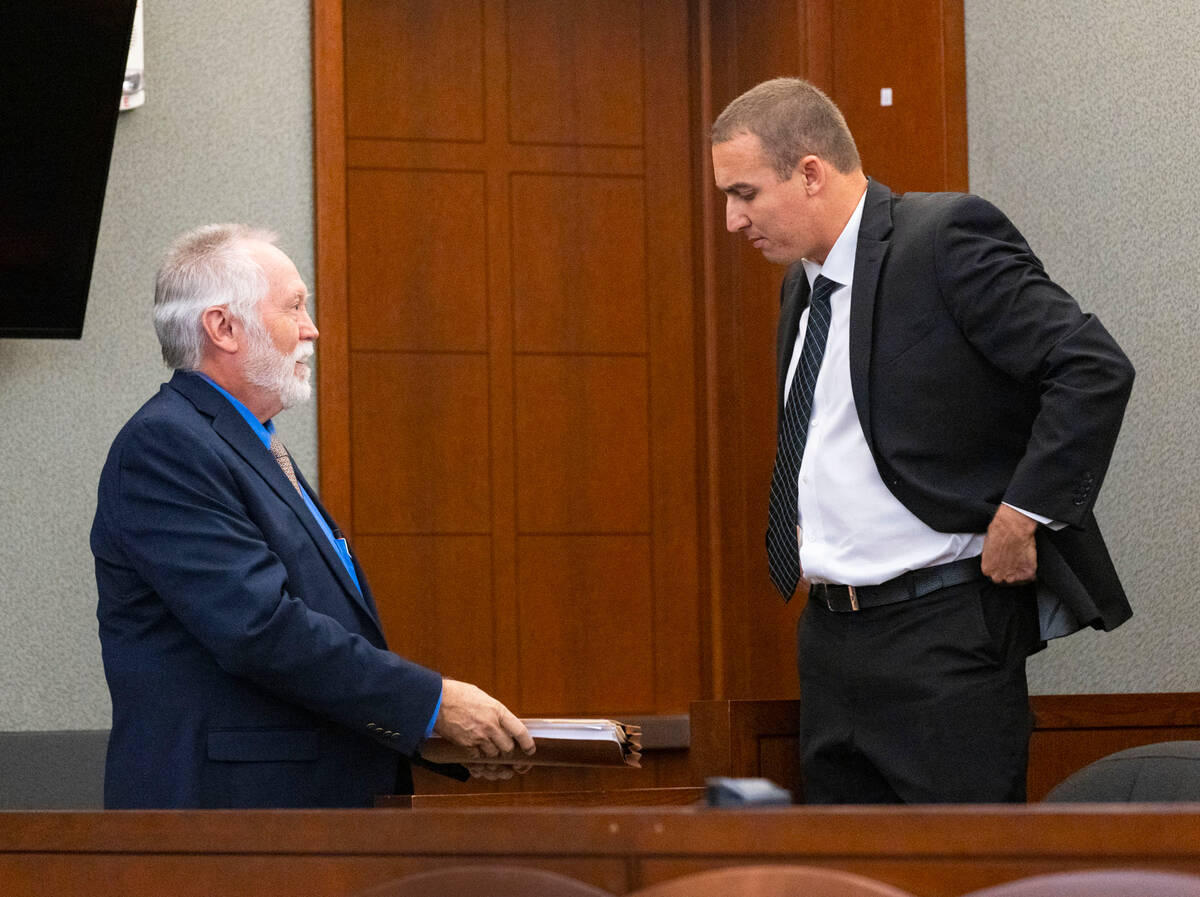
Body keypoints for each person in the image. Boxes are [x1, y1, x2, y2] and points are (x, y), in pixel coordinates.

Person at [710, 78, 1134, 803]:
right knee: (851, 876)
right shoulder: (800, 288)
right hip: (831, 641)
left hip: (942, 635)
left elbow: (1091, 366)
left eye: (745, 192)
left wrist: (1025, 510)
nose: (730, 219)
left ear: (810, 172)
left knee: (955, 870)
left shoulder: (943, 239)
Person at [92, 224, 534, 808]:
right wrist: (431, 706)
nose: (312, 329)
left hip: (295, 808)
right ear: (222, 327)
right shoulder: (168, 445)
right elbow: (260, 629)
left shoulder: (247, 443)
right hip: (230, 821)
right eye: (295, 306)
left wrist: (422, 734)